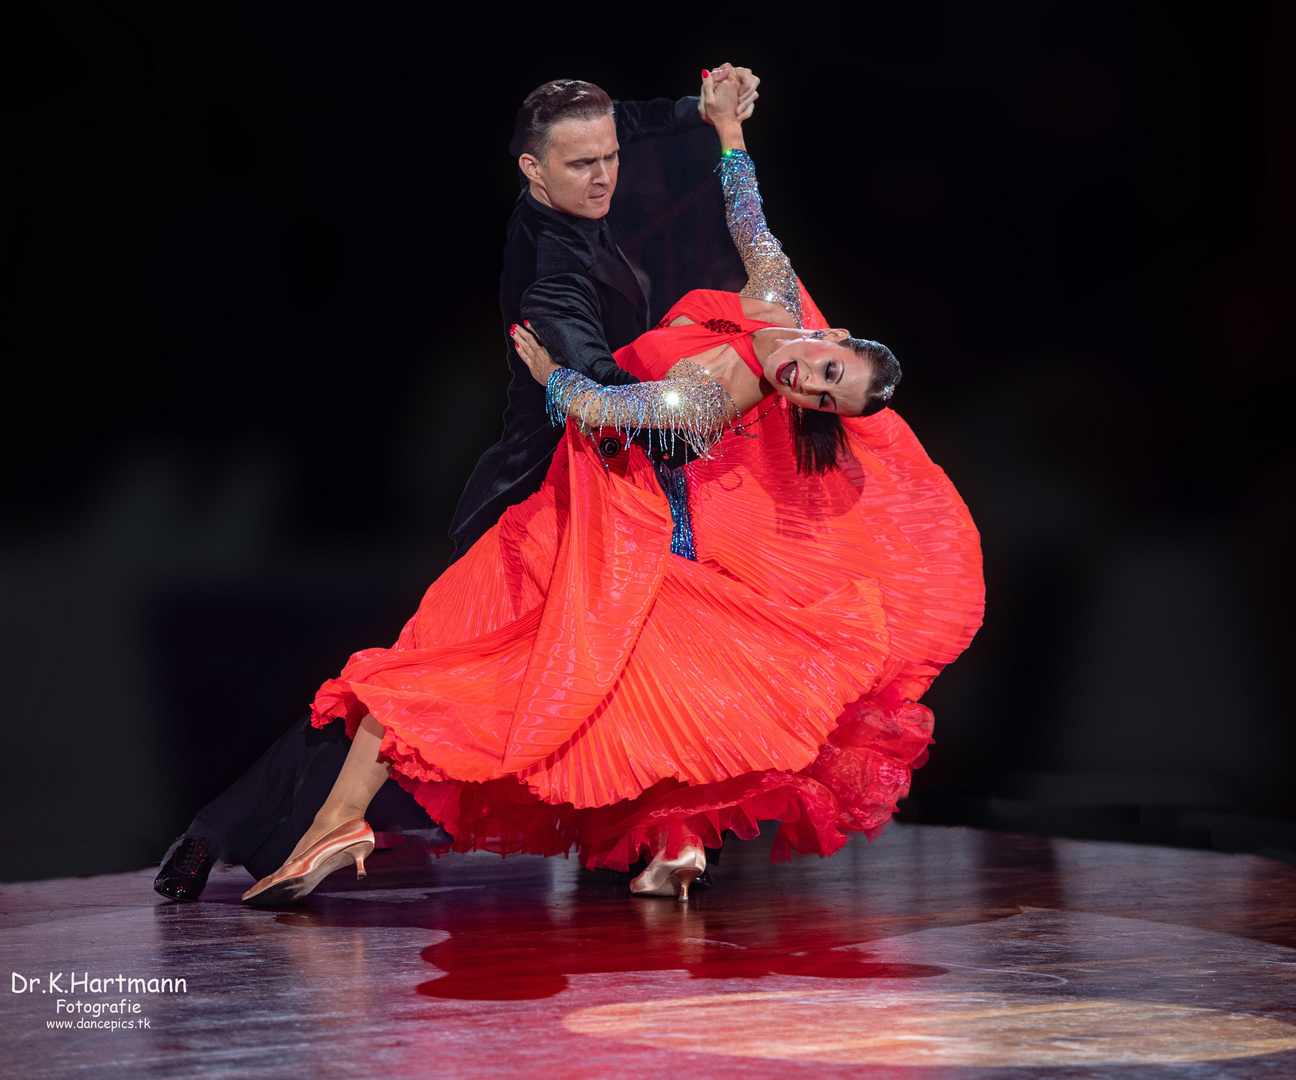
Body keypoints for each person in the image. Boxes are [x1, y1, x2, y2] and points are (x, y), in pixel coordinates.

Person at [240, 72, 984, 908]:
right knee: (587, 682)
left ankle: (345, 822)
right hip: (615, 516)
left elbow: (606, 410)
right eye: (825, 365)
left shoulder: (721, 390)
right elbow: (749, 215)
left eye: (819, 395)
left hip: (601, 516)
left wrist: (549, 373)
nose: (803, 378)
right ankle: (669, 841)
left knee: (459, 655)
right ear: (831, 334)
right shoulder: (774, 297)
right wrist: (730, 131)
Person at [153, 68, 761, 901]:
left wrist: (701, 110)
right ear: (531, 170)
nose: (605, 175)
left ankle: (652, 838)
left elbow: (621, 118)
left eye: (610, 157)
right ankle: (229, 830)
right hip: (543, 507)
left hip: (599, 503)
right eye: (583, 163)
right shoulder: (555, 275)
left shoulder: (578, 168)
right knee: (437, 682)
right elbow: (600, 400)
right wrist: (700, 407)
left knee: (621, 669)